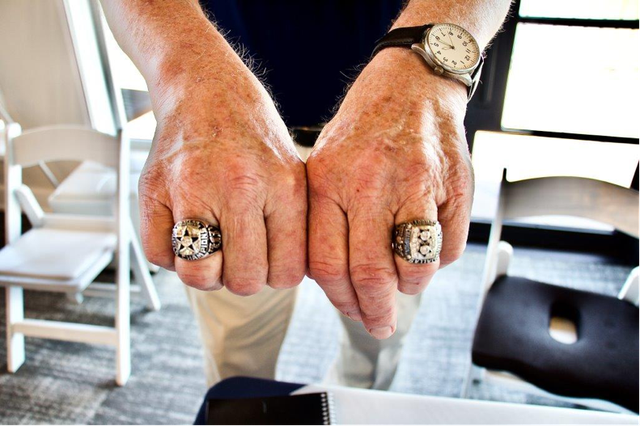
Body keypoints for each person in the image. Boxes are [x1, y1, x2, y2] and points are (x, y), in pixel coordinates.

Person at [100, 0, 511, 389]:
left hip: (397, 143)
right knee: (237, 356)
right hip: (226, 144)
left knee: (379, 340)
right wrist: (184, 74)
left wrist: (427, 74)